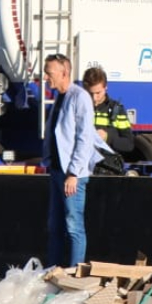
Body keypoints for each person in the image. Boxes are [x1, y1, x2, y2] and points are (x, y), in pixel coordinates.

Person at [43, 54, 101, 266]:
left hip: (71, 175)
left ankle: (75, 273)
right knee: (55, 226)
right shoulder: (59, 97)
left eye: (49, 73)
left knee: (74, 226)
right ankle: (53, 270)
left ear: (64, 72)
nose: (46, 77)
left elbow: (84, 138)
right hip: (57, 171)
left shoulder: (80, 97)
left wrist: (74, 173)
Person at [84, 66, 136, 177]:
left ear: (105, 88)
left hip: (107, 172)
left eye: (98, 93)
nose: (94, 98)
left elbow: (129, 144)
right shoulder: (77, 108)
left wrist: (108, 137)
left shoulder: (116, 110)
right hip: (82, 171)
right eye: (90, 93)